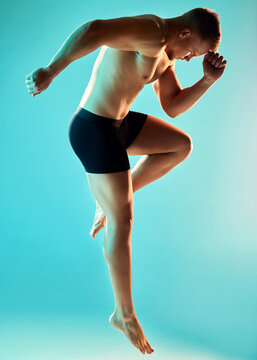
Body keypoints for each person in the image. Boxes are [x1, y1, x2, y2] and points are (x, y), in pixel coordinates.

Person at [25, 7, 227, 355]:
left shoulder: (166, 56)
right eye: (193, 52)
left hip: (119, 126)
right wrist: (50, 71)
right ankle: (123, 312)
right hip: (94, 129)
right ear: (184, 33)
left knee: (179, 146)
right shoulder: (151, 32)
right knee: (123, 220)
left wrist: (207, 81)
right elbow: (93, 30)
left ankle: (116, 198)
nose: (192, 59)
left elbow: (173, 106)